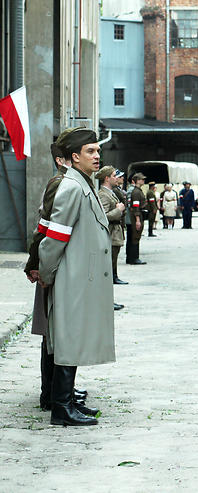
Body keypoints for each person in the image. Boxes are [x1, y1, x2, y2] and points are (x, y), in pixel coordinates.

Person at [38, 127, 115, 426]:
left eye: (98, 151)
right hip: (73, 276)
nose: (97, 156)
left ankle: (66, 402)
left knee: (74, 337)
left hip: (81, 275)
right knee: (68, 339)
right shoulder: (72, 187)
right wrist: (46, 273)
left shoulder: (83, 184)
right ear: (74, 156)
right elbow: (55, 237)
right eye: (90, 151)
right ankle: (61, 408)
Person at [23, 138, 88, 414]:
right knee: (52, 334)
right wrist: (35, 263)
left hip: (57, 265)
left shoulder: (71, 183)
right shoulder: (59, 183)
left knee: (56, 333)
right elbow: (45, 227)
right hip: (52, 266)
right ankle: (50, 394)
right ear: (63, 160)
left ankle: (58, 392)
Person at [97, 166, 127, 288]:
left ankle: (114, 277)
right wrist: (118, 210)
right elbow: (103, 216)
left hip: (115, 231)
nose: (117, 178)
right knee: (109, 260)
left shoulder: (110, 193)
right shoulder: (103, 195)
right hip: (110, 232)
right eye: (114, 176)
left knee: (113, 258)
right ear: (107, 178)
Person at [126, 173, 147, 265]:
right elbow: (135, 206)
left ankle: (131, 257)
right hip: (136, 216)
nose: (143, 181)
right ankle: (134, 258)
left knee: (135, 236)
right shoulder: (136, 192)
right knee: (136, 236)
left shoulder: (138, 191)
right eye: (142, 179)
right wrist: (138, 220)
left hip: (137, 215)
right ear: (137, 180)